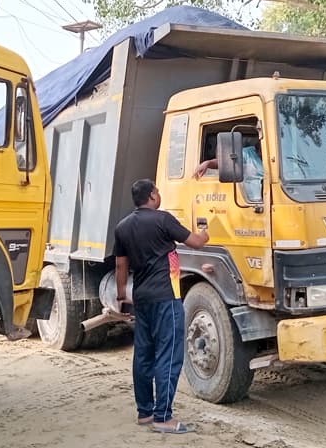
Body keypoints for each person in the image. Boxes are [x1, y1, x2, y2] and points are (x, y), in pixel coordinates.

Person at [113, 179, 209, 434]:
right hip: (166, 297)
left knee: (143, 355)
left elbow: (121, 265)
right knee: (168, 356)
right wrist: (205, 233)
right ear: (152, 195)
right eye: (157, 191)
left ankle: (145, 412)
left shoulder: (122, 227)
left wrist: (122, 293)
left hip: (141, 298)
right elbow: (196, 243)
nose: (159, 194)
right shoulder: (163, 220)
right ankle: (163, 417)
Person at [194, 144, 264, 202]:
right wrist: (208, 163)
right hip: (252, 200)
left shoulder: (273, 155)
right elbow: (226, 162)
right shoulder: (245, 153)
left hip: (270, 198)